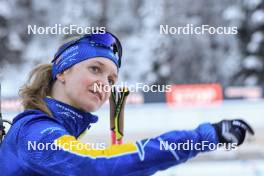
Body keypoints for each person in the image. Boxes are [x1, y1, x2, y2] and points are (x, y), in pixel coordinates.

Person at [0, 32, 254, 176]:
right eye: (95, 69)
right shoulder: (36, 133)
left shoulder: (53, 132)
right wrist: (202, 137)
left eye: (111, 79)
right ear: (62, 72)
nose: (104, 84)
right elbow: (97, 164)